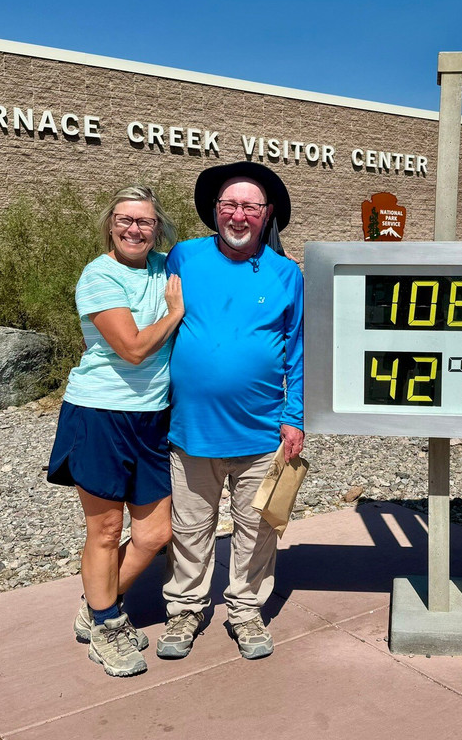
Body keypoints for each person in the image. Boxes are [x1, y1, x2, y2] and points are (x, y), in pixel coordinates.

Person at [156, 161, 303, 662]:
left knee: (257, 528)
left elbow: (296, 349)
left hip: (263, 431)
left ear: (267, 216)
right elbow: (155, 320)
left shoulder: (287, 274)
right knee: (191, 527)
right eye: (229, 205)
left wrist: (295, 415)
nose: (238, 216)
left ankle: (245, 609)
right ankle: (185, 609)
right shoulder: (183, 257)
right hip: (191, 428)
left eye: (250, 207)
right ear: (216, 212)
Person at [47, 186, 183, 677]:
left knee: (155, 533)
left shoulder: (167, 266)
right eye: (125, 220)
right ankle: (106, 624)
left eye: (144, 221)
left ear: (158, 228)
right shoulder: (98, 275)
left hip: (152, 416)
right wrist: (174, 314)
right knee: (104, 530)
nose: (134, 229)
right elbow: (131, 348)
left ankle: (97, 604)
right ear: (110, 224)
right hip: (100, 413)